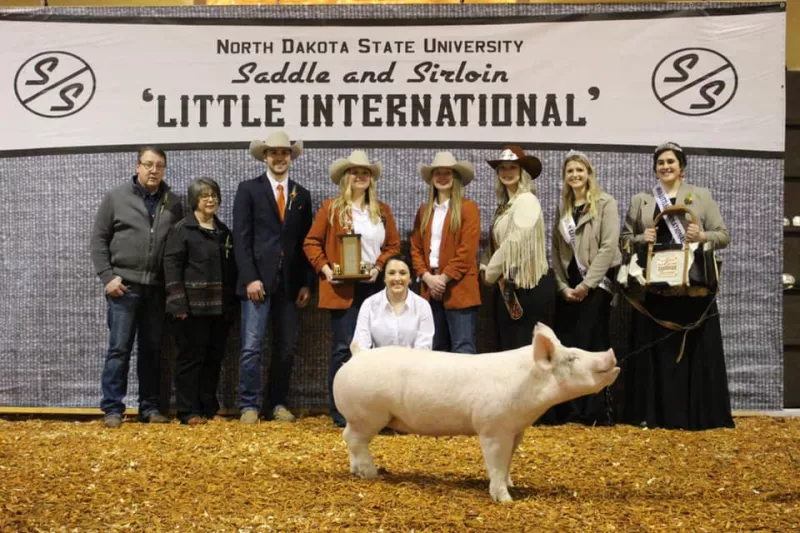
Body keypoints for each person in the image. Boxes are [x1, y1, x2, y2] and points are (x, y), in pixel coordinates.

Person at [620, 141, 734, 430]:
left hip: (692, 287)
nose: (666, 166)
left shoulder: (701, 197)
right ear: (656, 168)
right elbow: (623, 240)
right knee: (656, 350)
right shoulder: (642, 200)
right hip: (655, 287)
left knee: (694, 349)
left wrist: (702, 235)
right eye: (661, 163)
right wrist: (638, 238)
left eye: (671, 162)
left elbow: (723, 236)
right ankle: (653, 414)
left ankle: (695, 415)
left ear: (681, 167)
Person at [303, 150, 401, 427]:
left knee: (377, 349)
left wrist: (378, 267)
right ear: (346, 177)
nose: (360, 176)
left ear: (371, 179)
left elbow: (392, 245)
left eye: (365, 172)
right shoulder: (331, 208)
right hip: (342, 288)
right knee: (344, 349)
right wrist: (325, 270)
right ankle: (341, 412)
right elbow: (311, 242)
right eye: (355, 172)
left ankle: (377, 413)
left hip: (373, 288)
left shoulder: (382, 211)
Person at [90, 146, 184, 429]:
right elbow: (98, 240)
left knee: (152, 350)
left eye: (159, 166)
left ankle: (150, 407)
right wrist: (108, 277)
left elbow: (179, 245)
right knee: (119, 349)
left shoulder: (174, 202)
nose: (153, 170)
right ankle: (113, 409)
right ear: (137, 167)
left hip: (156, 289)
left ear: (164, 169)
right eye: (148, 165)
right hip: (124, 287)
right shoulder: (116, 197)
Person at [233, 131, 314, 425]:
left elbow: (307, 242)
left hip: (290, 284)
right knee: (251, 345)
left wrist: (306, 281)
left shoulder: (301, 195)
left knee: (287, 346)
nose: (279, 158)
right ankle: (249, 405)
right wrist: (250, 278)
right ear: (265, 157)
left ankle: (278, 402)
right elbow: (241, 239)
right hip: (257, 282)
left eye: (284, 153)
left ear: (290, 157)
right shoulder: (248, 190)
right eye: (274, 153)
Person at [539, 151, 621, 426]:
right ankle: (571, 411)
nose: (575, 175)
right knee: (569, 350)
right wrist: (562, 285)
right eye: (570, 171)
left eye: (579, 170)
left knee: (593, 346)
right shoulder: (564, 208)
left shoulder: (605, 203)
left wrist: (588, 284)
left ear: (589, 174)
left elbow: (609, 246)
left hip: (596, 285)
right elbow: (555, 248)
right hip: (569, 289)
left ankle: (594, 412)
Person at [164, 178, 237, 425]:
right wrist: (177, 304)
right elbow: (171, 267)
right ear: (194, 199)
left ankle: (208, 409)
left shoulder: (223, 231)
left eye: (214, 195)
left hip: (219, 310)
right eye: (204, 195)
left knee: (213, 360)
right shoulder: (182, 229)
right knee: (190, 360)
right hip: (190, 310)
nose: (210, 200)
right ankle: (187, 412)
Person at [480, 145, 554, 351]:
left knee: (525, 350)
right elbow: (497, 243)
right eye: (502, 168)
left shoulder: (527, 200)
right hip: (509, 286)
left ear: (522, 172)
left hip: (526, 287)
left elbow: (515, 241)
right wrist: (484, 263)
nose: (507, 172)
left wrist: (490, 273)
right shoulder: (506, 205)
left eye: (512, 167)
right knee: (510, 348)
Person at [410, 152, 481, 353]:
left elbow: (466, 251)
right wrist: (426, 276)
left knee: (463, 347)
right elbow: (415, 247)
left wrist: (443, 278)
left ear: (455, 177)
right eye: (437, 173)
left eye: (447, 172)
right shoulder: (424, 211)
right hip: (429, 288)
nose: (442, 177)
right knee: (435, 349)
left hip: (459, 287)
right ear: (432, 178)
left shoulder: (468, 209)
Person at [352, 255, 435, 351]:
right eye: (391, 273)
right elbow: (360, 346)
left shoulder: (423, 306)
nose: (397, 278)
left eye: (403, 273)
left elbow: (424, 349)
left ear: (410, 278)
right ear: (384, 278)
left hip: (412, 365)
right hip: (377, 364)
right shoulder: (369, 305)